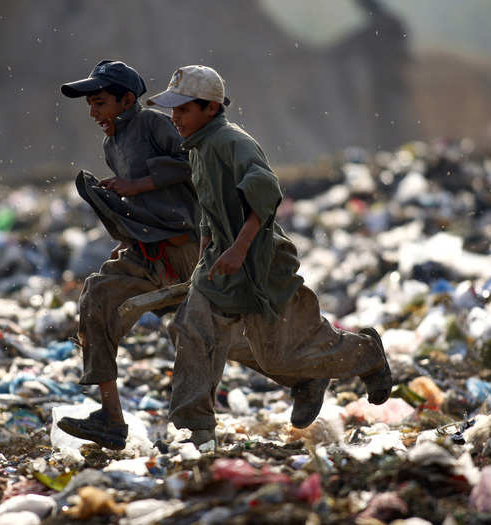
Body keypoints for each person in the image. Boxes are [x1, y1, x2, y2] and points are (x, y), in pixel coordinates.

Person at [147, 65, 392, 446]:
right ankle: (197, 429)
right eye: (173, 110)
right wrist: (203, 259)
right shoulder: (197, 148)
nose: (175, 118)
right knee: (191, 330)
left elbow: (266, 195)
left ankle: (364, 355)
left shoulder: (232, 143)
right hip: (219, 264)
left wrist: (238, 249)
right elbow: (210, 212)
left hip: (261, 264)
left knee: (281, 353)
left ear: (210, 108)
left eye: (182, 109)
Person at [56, 60, 201, 450]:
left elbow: (194, 162)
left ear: (126, 99)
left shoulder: (155, 124)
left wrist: (137, 185)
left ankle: (309, 372)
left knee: (218, 338)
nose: (93, 112)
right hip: (145, 250)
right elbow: (140, 203)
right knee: (97, 296)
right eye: (90, 105)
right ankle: (111, 418)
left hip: (186, 250)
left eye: (100, 102)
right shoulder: (111, 145)